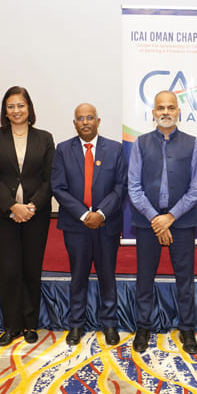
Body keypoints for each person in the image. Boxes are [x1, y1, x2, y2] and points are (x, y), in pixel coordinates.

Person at [128, 90, 197, 354]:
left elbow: (196, 189)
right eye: (161, 108)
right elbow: (133, 187)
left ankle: (187, 328)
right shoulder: (140, 143)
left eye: (171, 107)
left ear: (178, 112)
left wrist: (170, 218)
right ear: (153, 113)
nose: (166, 112)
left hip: (181, 222)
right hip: (147, 223)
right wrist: (155, 219)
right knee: (144, 278)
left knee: (185, 279)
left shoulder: (192, 144)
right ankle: (143, 327)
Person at [0, 86, 54, 346]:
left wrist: (32, 207)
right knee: (9, 269)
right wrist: (13, 206)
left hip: (37, 214)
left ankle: (30, 324)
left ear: (29, 108)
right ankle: (11, 325)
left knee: (31, 268)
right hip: (5, 215)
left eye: (21, 105)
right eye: (11, 106)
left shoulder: (44, 138)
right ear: (5, 110)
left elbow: (50, 178)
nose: (16, 110)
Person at [51, 103, 127, 346]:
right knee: (78, 276)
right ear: (75, 123)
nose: (85, 122)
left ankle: (110, 324)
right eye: (80, 119)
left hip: (107, 224)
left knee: (107, 275)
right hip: (76, 226)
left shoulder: (115, 149)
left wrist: (101, 213)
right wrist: (84, 215)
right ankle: (76, 324)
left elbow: (121, 186)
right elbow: (58, 188)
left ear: (98, 121)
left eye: (90, 118)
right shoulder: (63, 149)